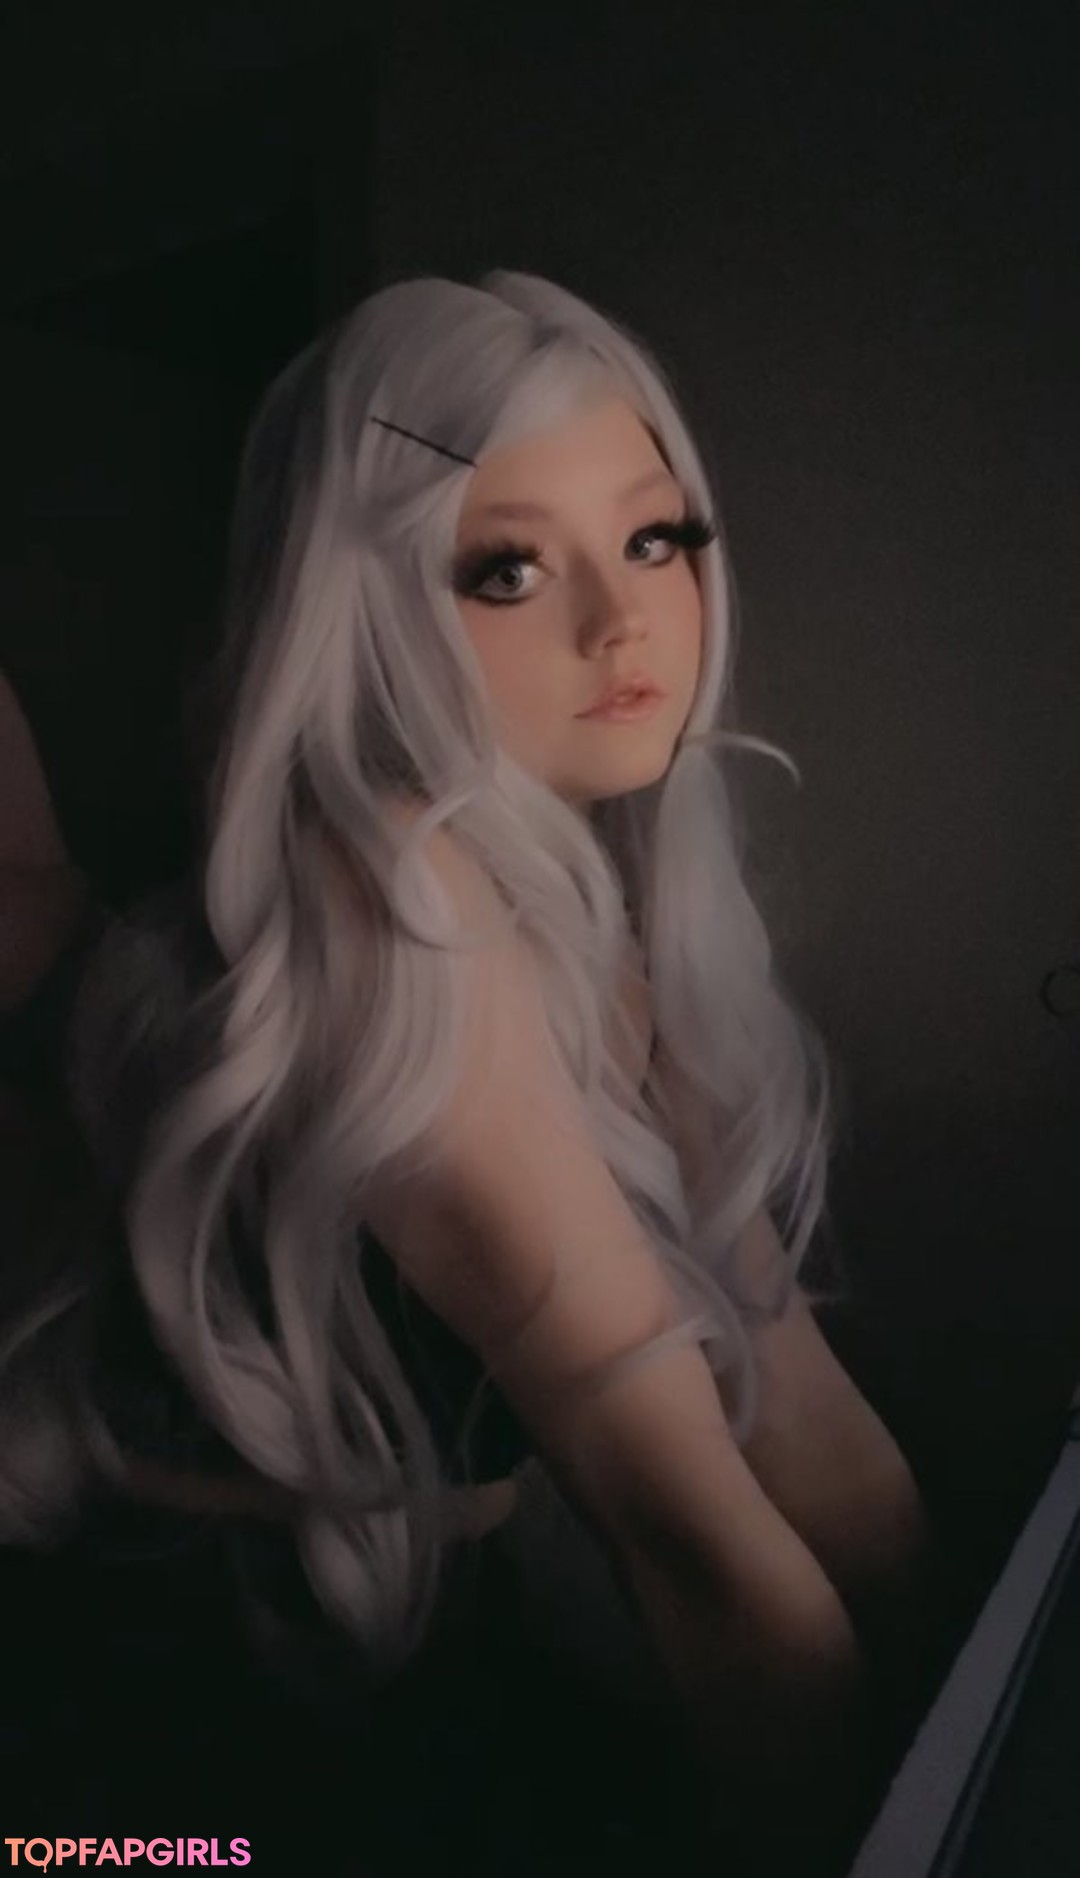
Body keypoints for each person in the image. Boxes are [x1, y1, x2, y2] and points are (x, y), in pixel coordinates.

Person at [1, 272, 933, 1869]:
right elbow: (694, 1546)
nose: (621, 621)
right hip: (172, 1762)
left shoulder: (598, 926)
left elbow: (808, 1422)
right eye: (507, 567)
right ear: (362, 602)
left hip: (413, 1679)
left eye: (656, 539)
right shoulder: (400, 906)